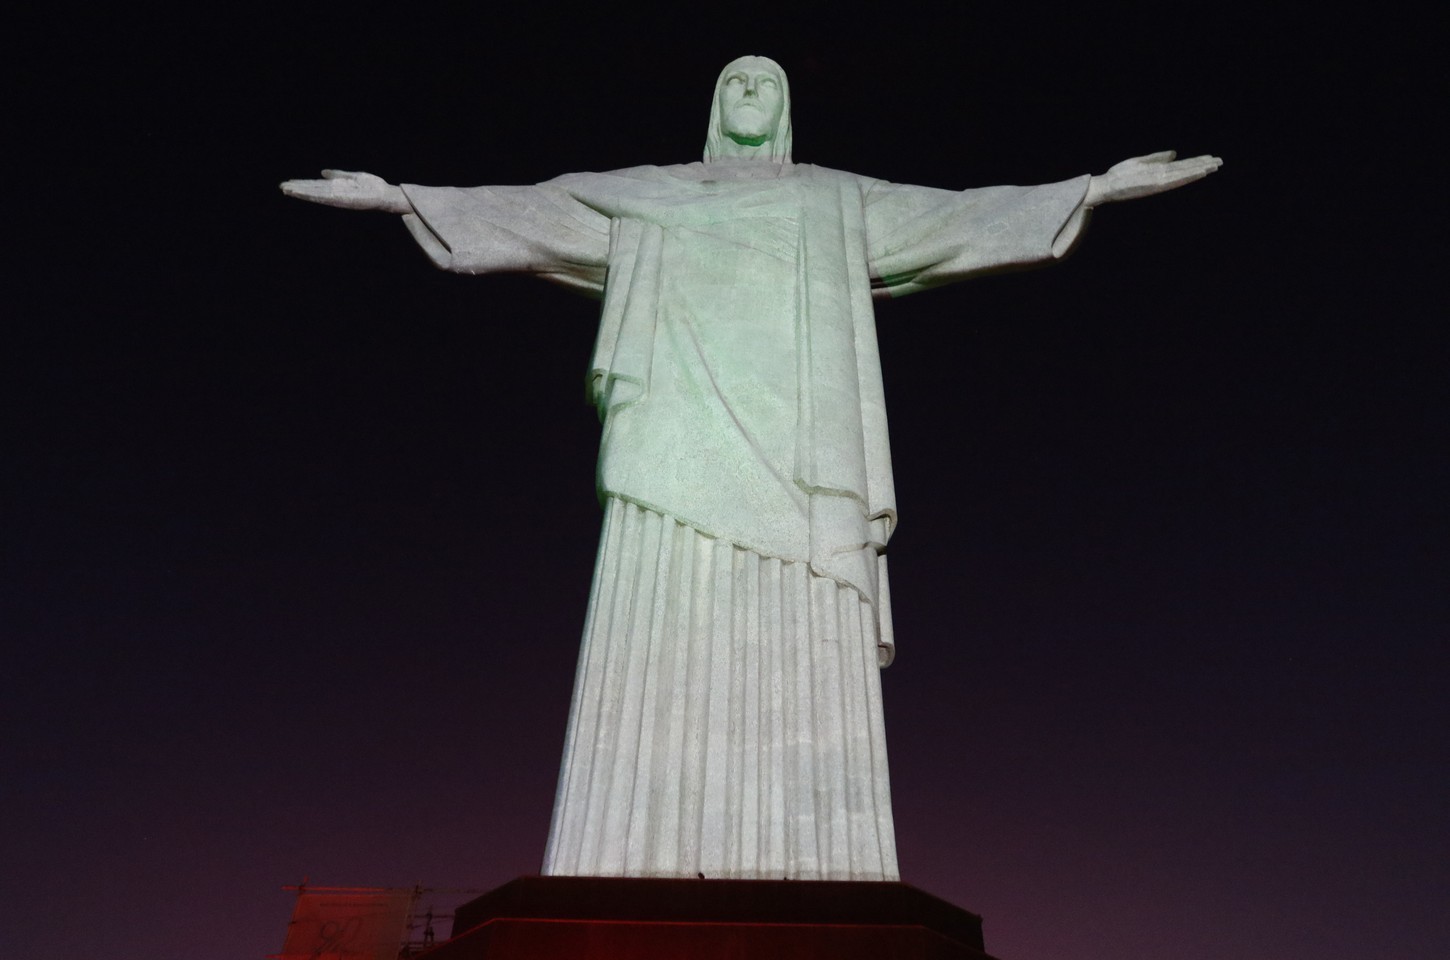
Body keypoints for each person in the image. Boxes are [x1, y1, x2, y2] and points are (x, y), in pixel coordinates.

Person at [282, 55, 1220, 882]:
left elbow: (953, 219)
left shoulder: (831, 198)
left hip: (803, 452)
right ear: (712, 102)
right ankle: (620, 853)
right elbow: (538, 211)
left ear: (784, 108)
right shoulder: (649, 190)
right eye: (733, 78)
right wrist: (407, 197)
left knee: (804, 613)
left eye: (764, 82)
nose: (746, 92)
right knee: (658, 607)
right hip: (673, 440)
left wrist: (1087, 190)